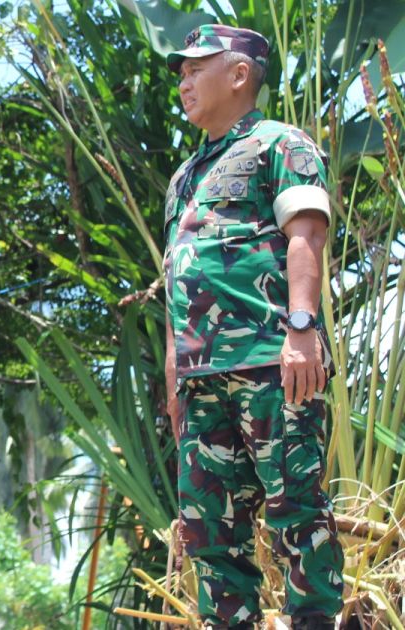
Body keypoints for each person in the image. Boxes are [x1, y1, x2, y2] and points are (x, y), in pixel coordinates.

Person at [162, 25, 344, 629]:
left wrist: (301, 329)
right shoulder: (184, 177)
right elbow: (176, 278)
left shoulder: (280, 143)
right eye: (181, 73)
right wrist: (174, 380)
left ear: (239, 75)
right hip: (200, 381)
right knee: (209, 535)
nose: (184, 82)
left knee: (297, 514)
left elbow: (306, 234)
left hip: (272, 363)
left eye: (196, 69)